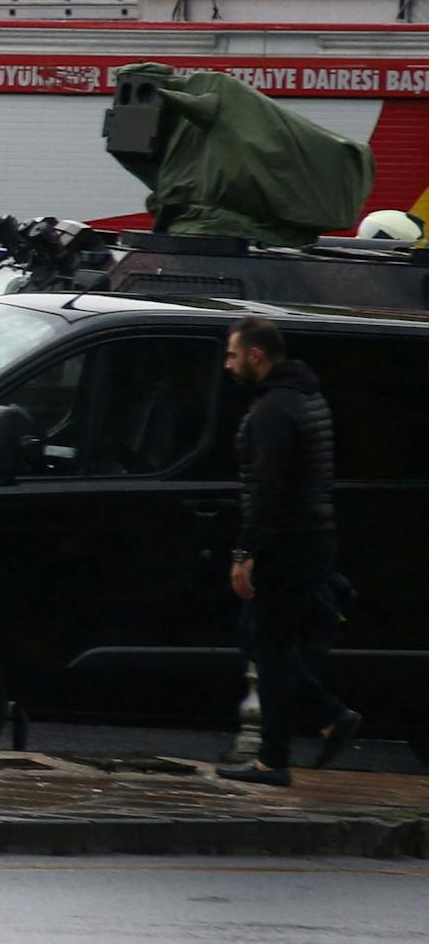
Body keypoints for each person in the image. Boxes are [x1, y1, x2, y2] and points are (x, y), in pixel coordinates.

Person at [217, 317, 362, 787]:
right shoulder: (306, 396)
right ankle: (310, 727)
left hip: (286, 543)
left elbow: (268, 489)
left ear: (256, 355)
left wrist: (246, 553)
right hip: (312, 538)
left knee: (268, 644)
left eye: (233, 355)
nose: (228, 364)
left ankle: (284, 750)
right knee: (267, 642)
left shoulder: (273, 411)